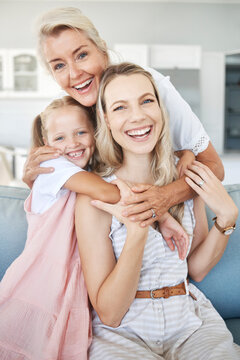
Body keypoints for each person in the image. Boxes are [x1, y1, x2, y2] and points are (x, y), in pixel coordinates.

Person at [75, 63, 239, 359]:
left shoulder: (185, 178)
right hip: (122, 334)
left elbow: (196, 269)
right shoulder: (95, 198)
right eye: (120, 107)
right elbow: (110, 314)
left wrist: (226, 221)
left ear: (162, 110)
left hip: (190, 324)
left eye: (146, 101)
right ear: (106, 119)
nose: (138, 116)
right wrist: (138, 230)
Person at [22, 7, 224, 228]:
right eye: (59, 66)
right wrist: (36, 180)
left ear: (103, 51)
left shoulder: (148, 86)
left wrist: (166, 196)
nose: (74, 74)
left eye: (82, 55)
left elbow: (214, 166)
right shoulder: (66, 110)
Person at [0, 95, 121, 360]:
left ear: (94, 133)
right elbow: (110, 194)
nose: (73, 143)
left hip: (73, 292)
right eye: (60, 138)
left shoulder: (89, 174)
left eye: (81, 132)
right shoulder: (51, 167)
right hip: (38, 289)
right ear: (46, 144)